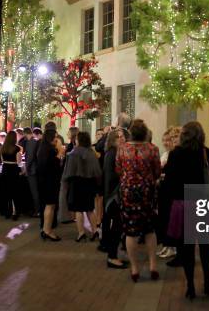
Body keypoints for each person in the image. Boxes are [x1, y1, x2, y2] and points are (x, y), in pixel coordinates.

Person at [162, 121, 209, 299]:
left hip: (184, 204)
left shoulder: (176, 154)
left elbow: (170, 182)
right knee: (205, 245)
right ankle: (208, 282)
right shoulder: (206, 153)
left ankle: (190, 286)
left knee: (187, 247)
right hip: (204, 204)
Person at [116, 119, 161, 282]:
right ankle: (153, 266)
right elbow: (157, 172)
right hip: (147, 193)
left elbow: (118, 169)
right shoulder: (153, 149)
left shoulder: (122, 149)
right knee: (149, 230)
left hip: (128, 193)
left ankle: (134, 269)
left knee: (130, 231)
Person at [62, 132, 102, 242]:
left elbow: (68, 172)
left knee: (78, 210)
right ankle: (94, 231)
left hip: (76, 183)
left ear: (78, 140)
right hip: (89, 183)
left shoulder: (73, 153)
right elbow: (97, 171)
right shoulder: (91, 153)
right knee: (89, 208)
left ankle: (81, 233)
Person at [102, 128, 130, 269]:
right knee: (117, 227)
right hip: (114, 196)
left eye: (123, 136)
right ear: (112, 140)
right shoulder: (112, 153)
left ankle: (114, 255)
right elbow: (110, 178)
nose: (121, 138)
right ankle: (112, 257)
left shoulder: (119, 153)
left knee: (119, 227)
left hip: (117, 195)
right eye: (118, 137)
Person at [157, 126, 182, 262]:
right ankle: (168, 245)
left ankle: (172, 247)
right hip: (166, 191)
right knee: (166, 220)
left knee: (172, 221)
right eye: (167, 139)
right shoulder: (167, 154)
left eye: (172, 138)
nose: (169, 142)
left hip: (173, 193)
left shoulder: (175, 153)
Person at [37, 128, 63, 241]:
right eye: (56, 137)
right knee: (50, 206)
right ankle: (47, 230)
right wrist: (60, 153)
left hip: (45, 181)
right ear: (51, 138)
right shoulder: (50, 150)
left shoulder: (43, 148)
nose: (57, 139)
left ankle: (45, 229)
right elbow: (53, 166)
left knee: (49, 206)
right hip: (50, 181)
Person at [0, 130, 22, 220]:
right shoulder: (17, 149)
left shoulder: (2, 148)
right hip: (13, 171)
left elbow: (2, 160)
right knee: (15, 193)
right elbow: (19, 162)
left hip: (5, 170)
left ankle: (7, 212)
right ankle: (15, 213)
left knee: (6, 192)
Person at [25, 127, 42, 217]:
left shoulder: (31, 142)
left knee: (34, 191)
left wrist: (26, 168)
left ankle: (37, 210)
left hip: (32, 170)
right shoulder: (36, 141)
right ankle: (38, 210)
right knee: (37, 191)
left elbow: (30, 157)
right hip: (37, 169)